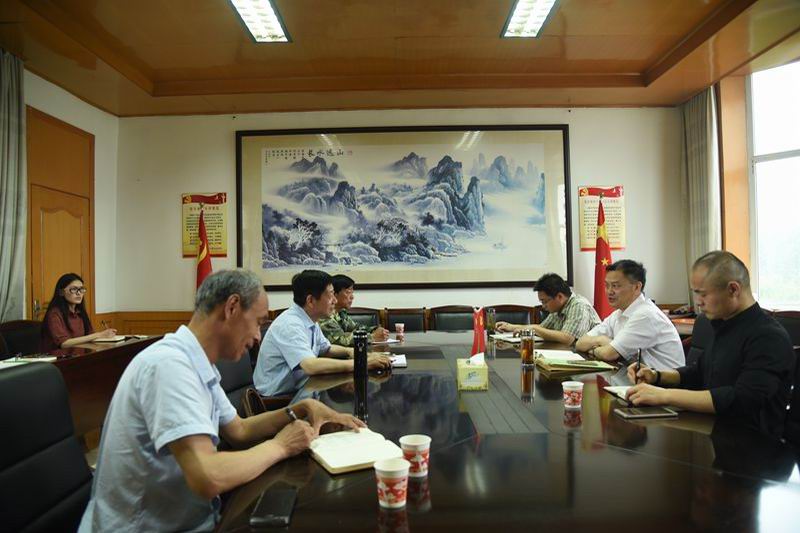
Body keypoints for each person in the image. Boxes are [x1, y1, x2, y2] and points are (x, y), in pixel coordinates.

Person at [78, 269, 363, 532]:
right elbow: (208, 476)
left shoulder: (198, 362)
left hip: (197, 517)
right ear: (232, 308)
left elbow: (239, 430)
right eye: (258, 323)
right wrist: (280, 446)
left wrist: (300, 409)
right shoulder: (169, 366)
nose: (257, 336)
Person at [626, 251, 795, 439]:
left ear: (733, 289)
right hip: (716, 434)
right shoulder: (724, 324)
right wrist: (657, 376)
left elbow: (742, 400)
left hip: (754, 445)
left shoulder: (768, 337)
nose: (698, 302)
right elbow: (700, 372)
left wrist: (664, 396)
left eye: (703, 294)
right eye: (695, 293)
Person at [254, 270, 391, 397]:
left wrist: (353, 352)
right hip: (280, 398)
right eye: (330, 295)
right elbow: (311, 366)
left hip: (304, 388)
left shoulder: (310, 319)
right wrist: (361, 363)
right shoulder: (290, 325)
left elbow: (326, 348)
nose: (335, 300)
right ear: (310, 300)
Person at [575, 259, 684, 370]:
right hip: (636, 376)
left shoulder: (645, 315)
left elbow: (609, 354)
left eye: (615, 286)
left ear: (637, 287)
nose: (609, 291)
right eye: (607, 285)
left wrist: (596, 348)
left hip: (662, 379)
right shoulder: (619, 313)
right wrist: (600, 340)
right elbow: (580, 343)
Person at [495, 272, 600, 345]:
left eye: (545, 301)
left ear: (559, 296)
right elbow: (542, 328)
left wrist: (534, 329)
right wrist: (511, 327)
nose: (543, 306)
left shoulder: (579, 305)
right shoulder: (557, 308)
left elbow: (567, 339)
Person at [41, 273, 117, 351]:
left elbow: (90, 335)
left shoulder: (80, 313)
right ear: (61, 292)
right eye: (74, 289)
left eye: (81, 289)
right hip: (60, 357)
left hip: (80, 354)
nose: (79, 293)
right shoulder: (54, 314)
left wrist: (105, 335)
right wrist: (99, 335)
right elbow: (63, 343)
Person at [319, 274, 390, 346]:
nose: (352, 297)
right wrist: (372, 337)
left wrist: (375, 330)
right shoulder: (325, 315)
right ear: (334, 294)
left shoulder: (341, 313)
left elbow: (356, 328)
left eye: (352, 292)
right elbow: (341, 340)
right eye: (348, 292)